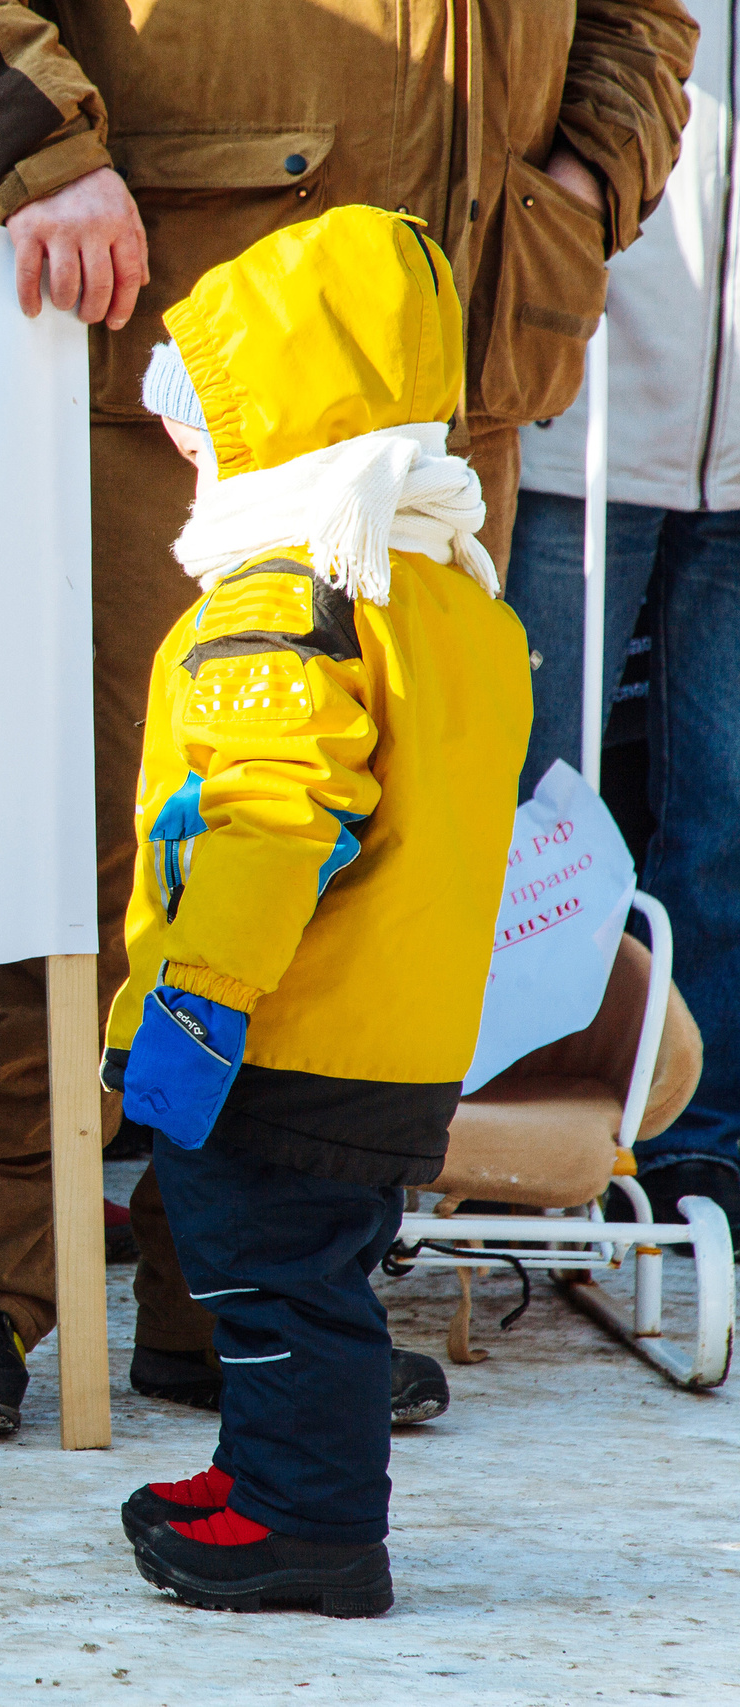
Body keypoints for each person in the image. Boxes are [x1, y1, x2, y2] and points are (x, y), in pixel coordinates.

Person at [0, 0, 697, 1436]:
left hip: (446, 356)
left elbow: (641, 15)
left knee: (361, 880)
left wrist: (587, 175)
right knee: (108, 846)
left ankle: (248, 1295)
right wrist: (37, 152)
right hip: (181, 350)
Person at [110, 207, 528, 1614]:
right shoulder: (447, 597)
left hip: (280, 1031)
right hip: (400, 1039)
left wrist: (195, 999)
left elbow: (266, 821)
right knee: (315, 1275)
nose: (189, 459)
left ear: (275, 438)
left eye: (204, 432)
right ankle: (267, 1473)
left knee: (270, 1283)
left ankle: (312, 1528)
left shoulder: (288, 603)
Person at [510, 6, 740, 1240]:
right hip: (573, 424)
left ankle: (698, 1136)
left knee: (724, 823)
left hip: (731, 454)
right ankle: (524, 1123)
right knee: (537, 810)